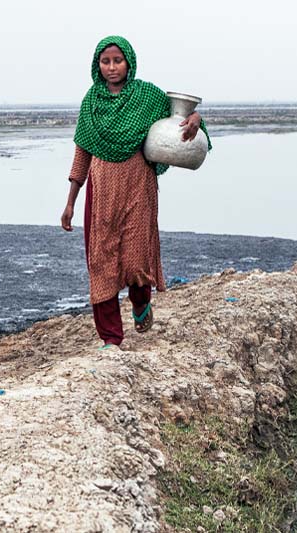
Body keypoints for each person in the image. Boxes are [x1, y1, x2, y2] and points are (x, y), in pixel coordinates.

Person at [59, 35, 209, 350]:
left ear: (129, 63)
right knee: (101, 262)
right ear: (96, 65)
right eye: (105, 61)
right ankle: (111, 338)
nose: (111, 67)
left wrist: (196, 119)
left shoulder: (147, 96)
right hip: (102, 194)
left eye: (117, 61)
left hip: (139, 188)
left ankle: (141, 303)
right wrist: (70, 202)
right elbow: (81, 154)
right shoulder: (91, 102)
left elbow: (181, 116)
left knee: (136, 258)